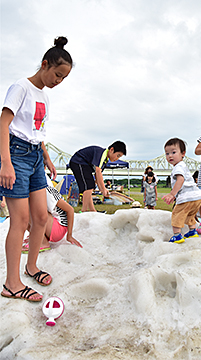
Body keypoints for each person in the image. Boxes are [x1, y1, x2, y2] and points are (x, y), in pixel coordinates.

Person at [0, 37, 73, 302]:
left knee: (41, 217)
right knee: (19, 221)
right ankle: (12, 283)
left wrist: (47, 158)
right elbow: (4, 123)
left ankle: (31, 267)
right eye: (57, 74)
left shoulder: (45, 96)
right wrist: (6, 162)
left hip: (33, 157)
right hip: (16, 156)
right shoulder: (21, 87)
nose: (58, 81)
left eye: (64, 78)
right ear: (44, 65)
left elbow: (37, 132)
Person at [22, 175, 82, 253]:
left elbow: (70, 210)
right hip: (52, 225)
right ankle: (38, 237)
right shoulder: (36, 191)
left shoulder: (47, 191)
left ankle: (43, 242)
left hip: (58, 228)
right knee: (22, 211)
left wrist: (69, 235)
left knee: (28, 209)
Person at [162, 138, 201, 243]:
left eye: (173, 152)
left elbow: (180, 180)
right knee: (190, 214)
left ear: (183, 153)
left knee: (176, 214)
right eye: (167, 153)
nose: (170, 156)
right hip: (197, 197)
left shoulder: (178, 167)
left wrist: (172, 194)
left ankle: (177, 235)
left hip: (187, 197)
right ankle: (192, 231)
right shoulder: (183, 166)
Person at [69, 141, 127, 212]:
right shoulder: (102, 154)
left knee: (90, 187)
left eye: (119, 157)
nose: (117, 158)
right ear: (111, 150)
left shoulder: (105, 161)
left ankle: (92, 211)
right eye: (118, 155)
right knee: (88, 187)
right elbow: (98, 171)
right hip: (78, 161)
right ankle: (84, 211)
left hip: (83, 164)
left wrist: (99, 188)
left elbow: (97, 175)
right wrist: (103, 188)